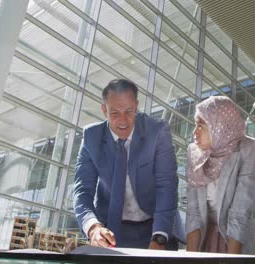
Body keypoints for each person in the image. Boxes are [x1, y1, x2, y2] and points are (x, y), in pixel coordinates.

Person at [74, 79, 179, 250]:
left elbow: (166, 186)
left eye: (129, 111)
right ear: (104, 110)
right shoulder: (91, 137)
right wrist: (93, 228)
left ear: (136, 106)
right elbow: (82, 191)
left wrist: (159, 238)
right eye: (115, 113)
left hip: (155, 226)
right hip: (110, 230)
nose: (123, 121)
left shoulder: (157, 132)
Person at [185, 96, 255, 254]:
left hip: (237, 244)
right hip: (205, 240)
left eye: (201, 125)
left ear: (218, 125)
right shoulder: (194, 153)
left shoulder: (248, 149)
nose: (195, 132)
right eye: (195, 124)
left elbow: (240, 213)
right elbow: (194, 213)